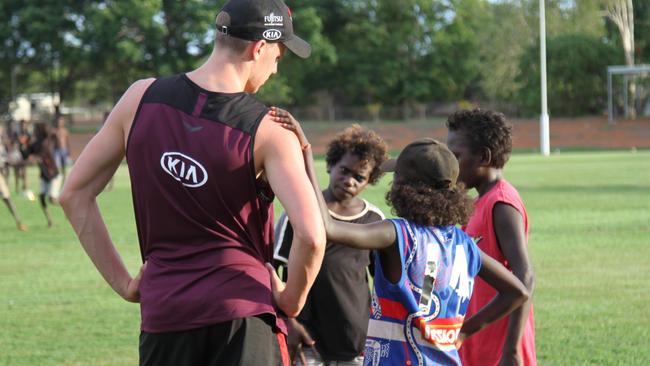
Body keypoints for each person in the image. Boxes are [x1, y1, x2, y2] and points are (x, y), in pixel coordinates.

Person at [59, 1, 325, 365]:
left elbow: (73, 194)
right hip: (243, 315)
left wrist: (123, 283)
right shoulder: (270, 132)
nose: (275, 70)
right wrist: (293, 299)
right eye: (278, 57)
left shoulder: (138, 99)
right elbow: (311, 235)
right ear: (258, 48)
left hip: (165, 317)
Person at [269, 108, 529, 366]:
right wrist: (464, 331)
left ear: (407, 188)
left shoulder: (397, 234)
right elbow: (517, 291)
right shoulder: (464, 245)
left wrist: (306, 154)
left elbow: (328, 228)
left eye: (397, 178)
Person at [274, 124, 388, 365]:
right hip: (306, 337)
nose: (349, 181)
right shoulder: (299, 211)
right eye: (344, 171)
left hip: (354, 338)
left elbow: (382, 283)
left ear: (370, 181)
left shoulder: (374, 220)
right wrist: (289, 323)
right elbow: (273, 272)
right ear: (330, 164)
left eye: (359, 177)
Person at [446, 108, 536, 366]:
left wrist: (512, 350)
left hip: (499, 343)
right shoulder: (477, 201)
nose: (451, 164)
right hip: (476, 336)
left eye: (456, 155)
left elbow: (525, 278)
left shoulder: (502, 203)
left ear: (483, 156)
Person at [25, 123, 61, 227]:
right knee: (41, 197)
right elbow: (27, 154)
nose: (34, 132)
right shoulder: (35, 143)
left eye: (36, 130)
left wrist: (33, 157)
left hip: (53, 174)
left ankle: (68, 206)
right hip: (44, 175)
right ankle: (50, 221)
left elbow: (40, 156)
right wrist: (24, 145)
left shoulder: (46, 143)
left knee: (52, 199)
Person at [53, 116, 71, 181]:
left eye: (60, 122)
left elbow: (67, 141)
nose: (59, 123)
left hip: (64, 150)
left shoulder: (65, 131)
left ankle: (64, 178)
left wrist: (68, 150)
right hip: (57, 150)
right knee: (57, 165)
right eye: (58, 122)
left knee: (64, 165)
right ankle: (59, 177)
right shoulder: (54, 131)